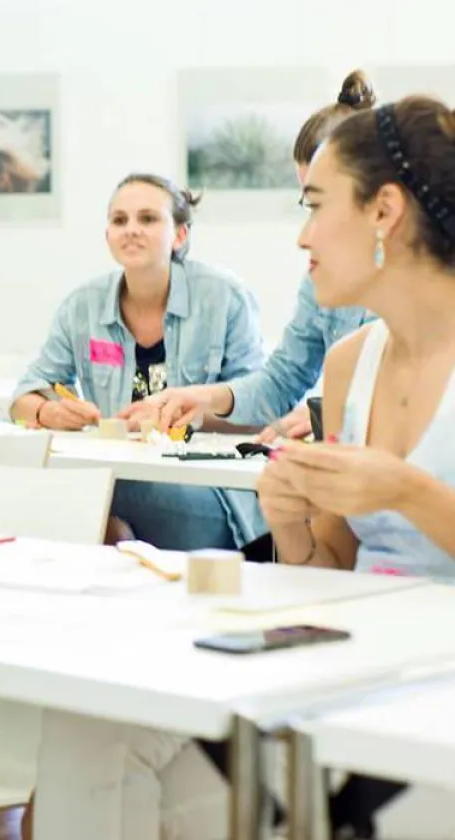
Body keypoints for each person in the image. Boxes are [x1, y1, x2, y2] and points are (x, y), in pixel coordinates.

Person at [261, 93, 455, 838]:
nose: (303, 236)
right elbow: (336, 565)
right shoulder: (349, 366)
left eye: (315, 205)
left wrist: (407, 488)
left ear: (384, 211)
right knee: (112, 727)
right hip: (366, 667)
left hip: (427, 698)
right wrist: (292, 524)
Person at [9, 173, 265, 551]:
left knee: (87, 488)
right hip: (121, 475)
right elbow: (22, 399)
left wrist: (185, 414)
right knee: (91, 500)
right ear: (108, 235)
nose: (131, 230)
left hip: (211, 490)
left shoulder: (224, 296)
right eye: (119, 220)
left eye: (148, 219)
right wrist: (49, 413)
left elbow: (262, 410)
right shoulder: (84, 305)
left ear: (180, 235)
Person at [120, 70, 380, 442]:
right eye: (308, 205)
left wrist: (335, 412)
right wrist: (205, 397)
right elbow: (282, 380)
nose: (306, 236)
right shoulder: (320, 279)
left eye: (319, 203)